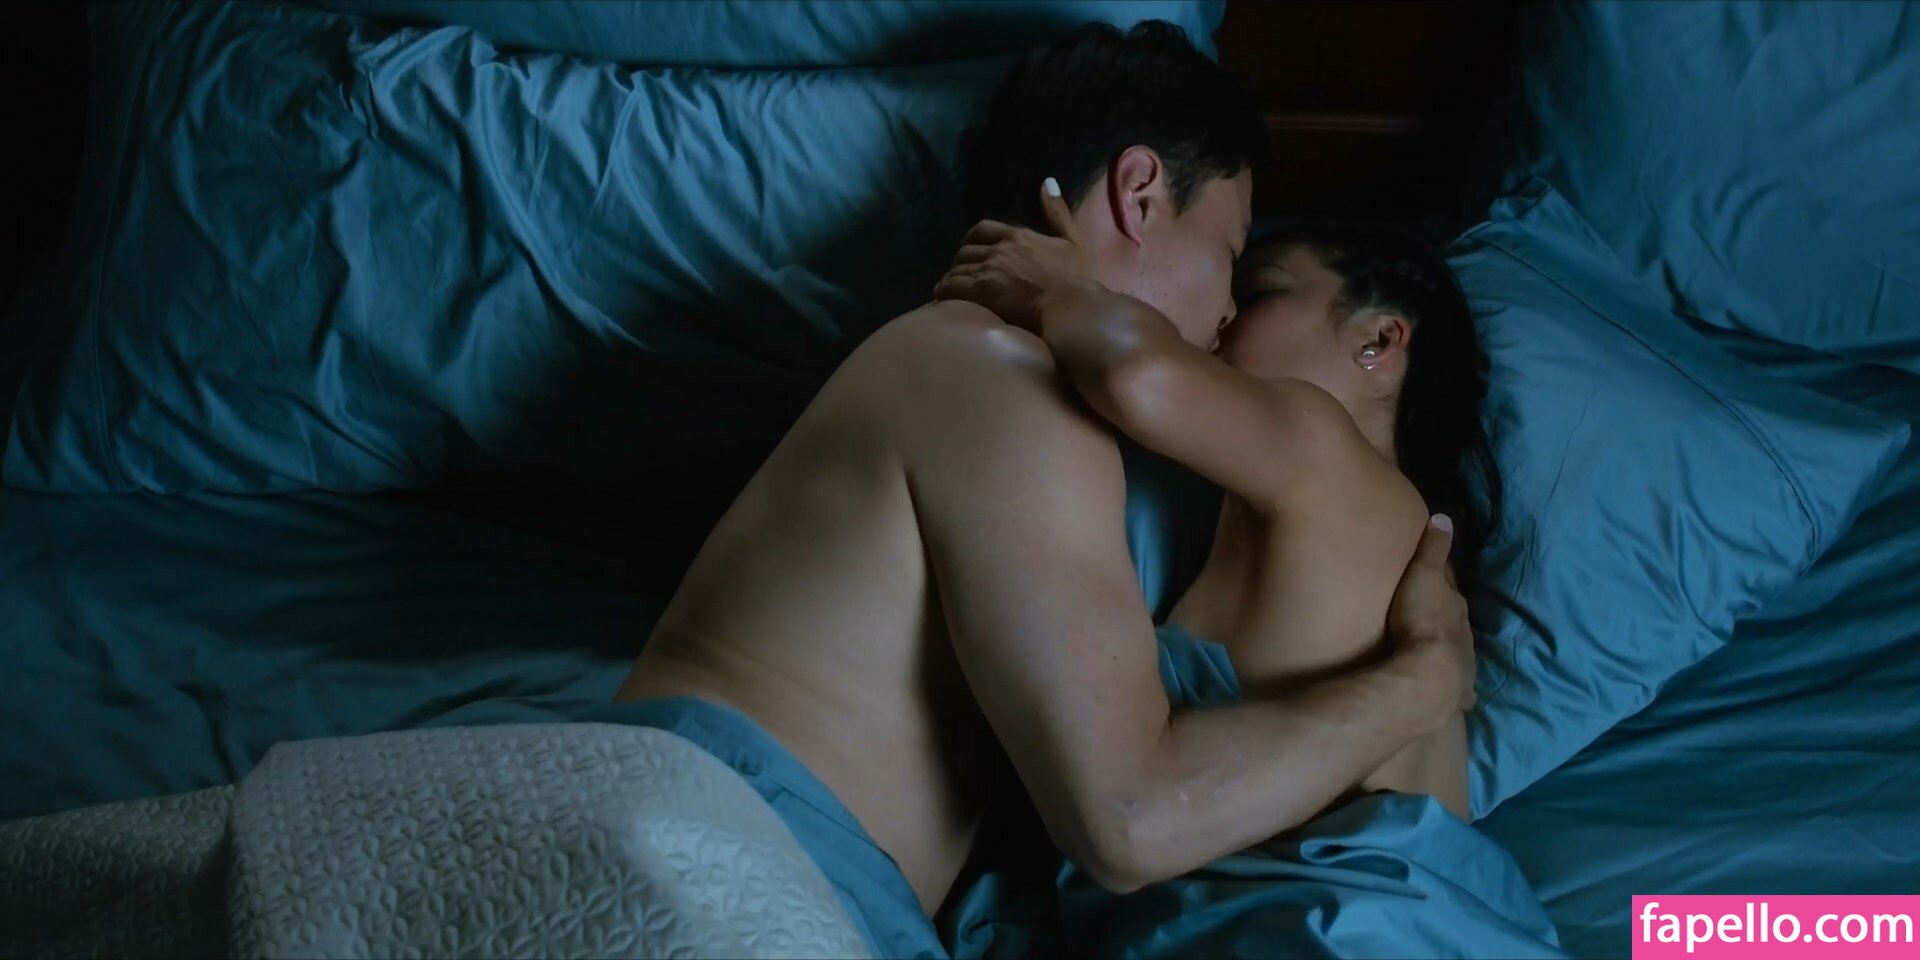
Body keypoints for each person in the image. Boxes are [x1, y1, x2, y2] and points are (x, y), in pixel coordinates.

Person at [596, 21, 1478, 959]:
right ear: (1141, 193)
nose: (1225, 311)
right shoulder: (1005, 377)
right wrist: (1420, 683)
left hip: (754, 860)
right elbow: (1132, 817)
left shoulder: (979, 376)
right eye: (1232, 256)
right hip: (722, 863)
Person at [934, 190, 1503, 822]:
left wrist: (1060, 289)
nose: (1225, 311)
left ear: (1378, 339)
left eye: (1258, 292)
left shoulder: (1329, 447)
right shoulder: (1378, 530)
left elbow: (1139, 375)